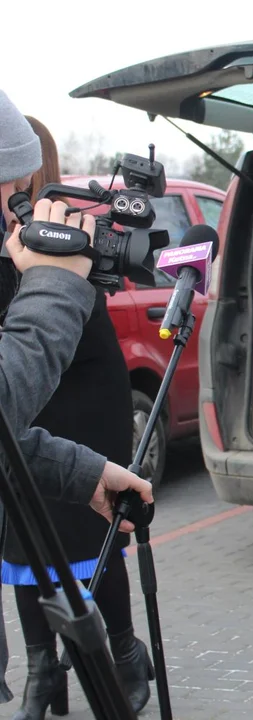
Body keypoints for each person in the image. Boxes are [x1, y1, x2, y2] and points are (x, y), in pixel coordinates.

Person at [0, 89, 154, 710]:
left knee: (92, 539)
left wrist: (81, 468)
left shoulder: (60, 224)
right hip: (28, 396)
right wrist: (50, 284)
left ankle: (119, 651)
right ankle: (45, 670)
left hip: (78, 401)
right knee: (25, 545)